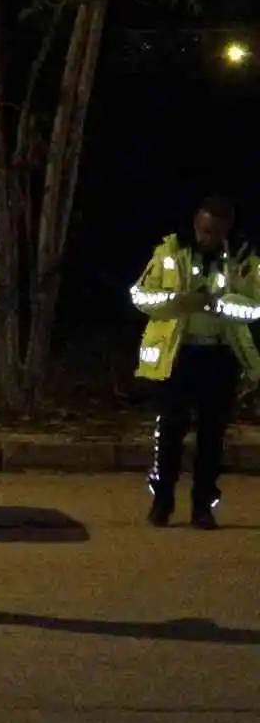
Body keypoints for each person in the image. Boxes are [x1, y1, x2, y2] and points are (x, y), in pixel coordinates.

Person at [130, 196, 260, 530]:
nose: (205, 237)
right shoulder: (170, 253)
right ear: (194, 223)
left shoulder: (244, 259)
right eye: (202, 229)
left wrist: (221, 306)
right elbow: (140, 296)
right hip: (179, 356)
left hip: (220, 356)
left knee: (212, 436)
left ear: (226, 230)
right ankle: (162, 502)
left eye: (214, 232)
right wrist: (177, 301)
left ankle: (203, 505)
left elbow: (256, 307)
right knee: (170, 431)